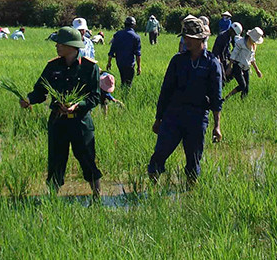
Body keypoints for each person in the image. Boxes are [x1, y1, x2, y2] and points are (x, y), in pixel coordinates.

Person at [19, 27, 103, 197]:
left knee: (87, 158)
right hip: (58, 122)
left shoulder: (89, 67)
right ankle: (52, 197)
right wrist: (29, 99)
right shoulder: (52, 66)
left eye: (60, 43)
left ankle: (97, 195)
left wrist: (77, 105)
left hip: (80, 122)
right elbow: (40, 91)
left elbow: (95, 96)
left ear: (71, 46)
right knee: (56, 160)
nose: (56, 46)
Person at [148, 17, 223, 185]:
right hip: (173, 115)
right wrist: (158, 118)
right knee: (159, 155)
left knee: (193, 159)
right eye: (185, 37)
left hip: (197, 117)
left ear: (201, 39)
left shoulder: (212, 63)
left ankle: (190, 191)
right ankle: (152, 191)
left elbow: (216, 96)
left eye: (191, 38)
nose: (186, 40)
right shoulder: (178, 61)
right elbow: (165, 91)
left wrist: (217, 125)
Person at [224, 27, 265, 101]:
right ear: (249, 37)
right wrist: (229, 67)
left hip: (246, 67)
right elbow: (234, 54)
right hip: (238, 66)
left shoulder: (253, 46)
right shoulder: (241, 43)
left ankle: (243, 101)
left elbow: (252, 59)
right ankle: (227, 97)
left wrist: (257, 70)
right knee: (242, 85)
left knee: (246, 88)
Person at [107, 16, 142, 87]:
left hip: (119, 62)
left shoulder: (117, 34)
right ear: (134, 25)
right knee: (128, 83)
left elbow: (112, 50)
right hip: (130, 63)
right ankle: (125, 96)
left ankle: (123, 93)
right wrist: (139, 67)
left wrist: (109, 62)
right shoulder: (136, 37)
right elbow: (138, 54)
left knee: (123, 79)